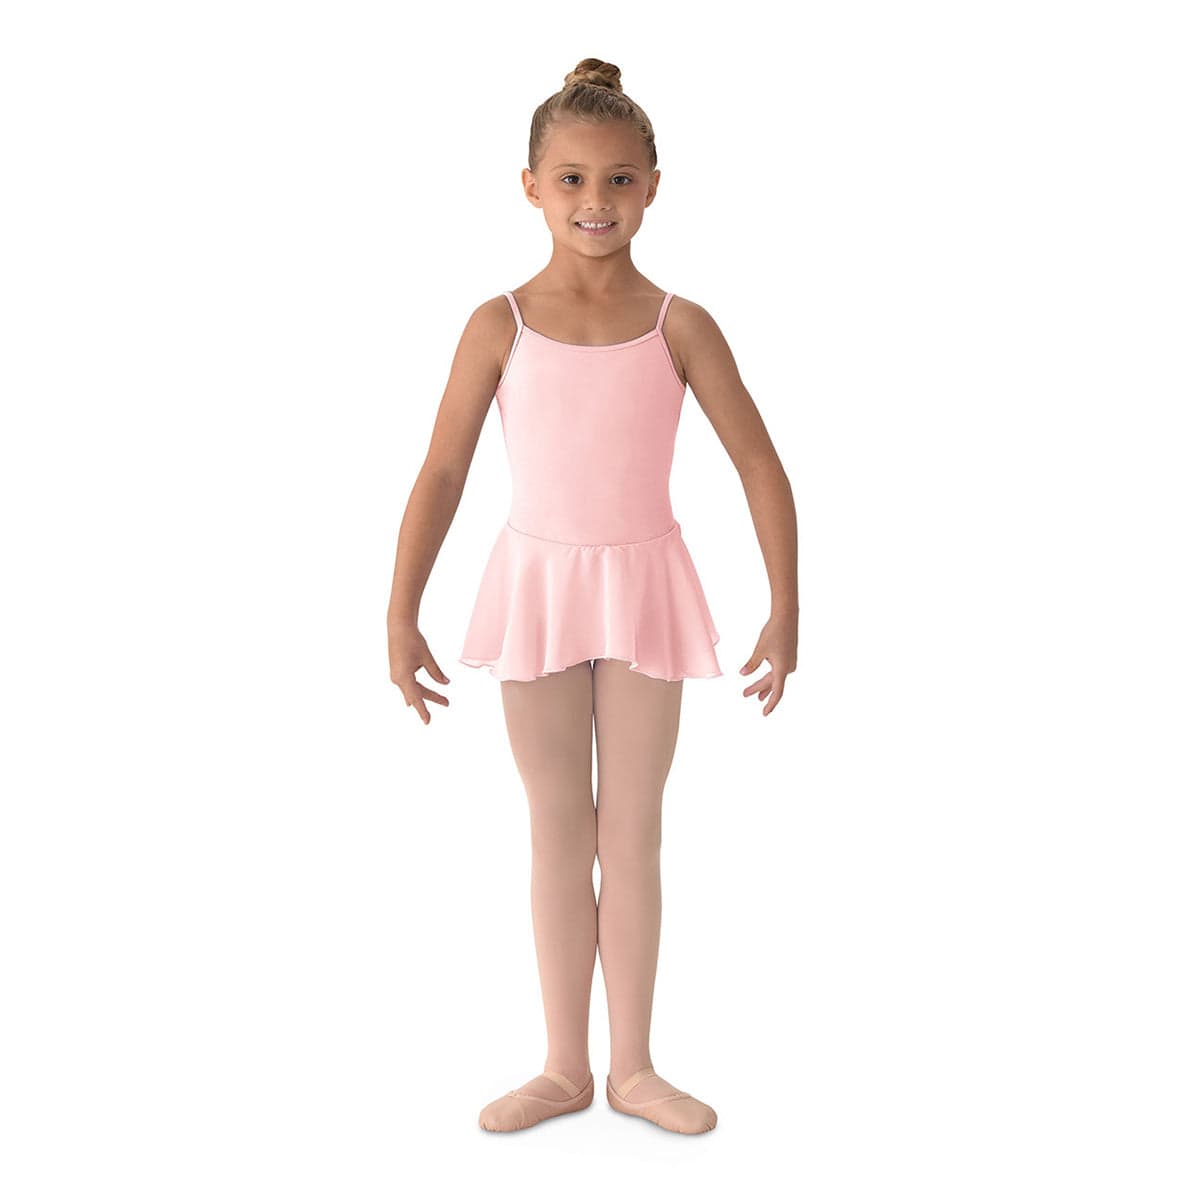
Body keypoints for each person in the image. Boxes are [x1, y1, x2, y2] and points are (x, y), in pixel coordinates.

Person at [386, 58, 798, 1135]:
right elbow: (441, 471)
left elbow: (760, 463)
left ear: (654, 186)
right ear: (529, 186)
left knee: (635, 833)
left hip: (646, 586)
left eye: (619, 180)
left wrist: (785, 606)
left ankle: (636, 1067)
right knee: (559, 830)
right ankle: (565, 1066)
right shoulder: (500, 323)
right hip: (536, 586)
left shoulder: (679, 324)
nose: (595, 201)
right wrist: (399, 612)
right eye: (570, 179)